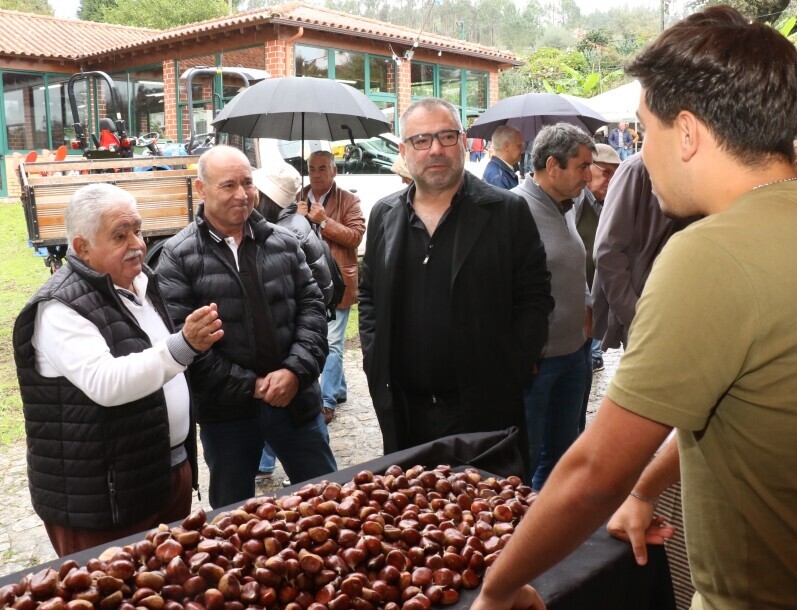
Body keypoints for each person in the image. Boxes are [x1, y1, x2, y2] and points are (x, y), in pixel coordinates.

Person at [471, 6, 797, 609]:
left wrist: (498, 589)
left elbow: (595, 473)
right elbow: (730, 406)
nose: (640, 154)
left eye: (645, 131)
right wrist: (647, 488)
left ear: (688, 133)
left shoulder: (712, 253)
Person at [13, 183, 223, 556]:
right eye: (120, 235)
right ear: (82, 247)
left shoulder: (142, 281)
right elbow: (106, 382)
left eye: (138, 230)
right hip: (102, 501)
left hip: (162, 473)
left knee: (170, 580)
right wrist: (184, 345)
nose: (138, 244)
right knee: (111, 584)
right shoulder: (59, 307)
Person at [359, 97, 553, 467]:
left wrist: (512, 368)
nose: (435, 149)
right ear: (403, 151)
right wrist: (374, 357)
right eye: (421, 140)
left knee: (489, 501)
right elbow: (369, 295)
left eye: (446, 136)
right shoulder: (384, 214)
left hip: (484, 410)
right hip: (406, 411)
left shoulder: (507, 212)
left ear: (463, 142)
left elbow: (535, 298)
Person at [157, 145, 336, 509]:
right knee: (231, 515)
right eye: (228, 185)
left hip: (296, 403)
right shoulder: (177, 257)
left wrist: (295, 372)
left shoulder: (284, 242)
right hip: (228, 417)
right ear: (201, 189)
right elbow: (184, 343)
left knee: (328, 501)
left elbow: (314, 310)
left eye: (247, 183)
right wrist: (251, 386)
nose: (242, 194)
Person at [512, 123, 594, 490]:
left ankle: (549, 516)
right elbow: (501, 289)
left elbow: (574, 261)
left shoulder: (569, 206)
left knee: (563, 455)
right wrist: (521, 349)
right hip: (538, 363)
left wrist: (587, 304)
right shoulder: (514, 210)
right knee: (525, 456)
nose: (588, 176)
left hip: (575, 354)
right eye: (582, 166)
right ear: (552, 166)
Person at [252, 161, 334, 482]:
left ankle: (267, 463)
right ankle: (265, 463)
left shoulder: (287, 231)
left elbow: (315, 295)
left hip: (292, 349)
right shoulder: (294, 222)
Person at [590, 153, 695, 351]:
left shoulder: (700, 171)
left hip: (685, 311)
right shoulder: (636, 169)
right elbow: (607, 252)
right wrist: (634, 314)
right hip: (645, 312)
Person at [297, 150, 365, 425]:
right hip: (307, 282)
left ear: (334, 171)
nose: (316, 174)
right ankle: (339, 388)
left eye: (322, 168)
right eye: (312, 168)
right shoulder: (299, 198)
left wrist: (324, 221)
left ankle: (326, 402)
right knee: (322, 339)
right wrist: (296, 218)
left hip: (338, 283)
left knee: (333, 341)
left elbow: (355, 237)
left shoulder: (348, 200)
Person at [574, 143, 620, 375]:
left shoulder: (610, 203)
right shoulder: (576, 202)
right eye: (606, 172)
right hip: (576, 305)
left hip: (594, 304)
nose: (610, 180)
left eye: (615, 174)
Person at [482, 125, 524, 189]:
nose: (522, 149)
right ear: (506, 146)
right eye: (519, 145)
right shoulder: (499, 178)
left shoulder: (498, 172)